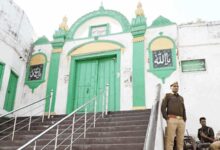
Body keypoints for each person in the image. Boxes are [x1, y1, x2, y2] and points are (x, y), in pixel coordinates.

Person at [161, 81, 187, 150]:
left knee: (180, 140)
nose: (176, 87)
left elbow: (183, 109)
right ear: (171, 87)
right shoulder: (168, 95)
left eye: (177, 86)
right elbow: (163, 107)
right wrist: (166, 118)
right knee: (170, 140)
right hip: (171, 119)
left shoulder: (181, 98)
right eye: (174, 86)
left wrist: (184, 119)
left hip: (181, 120)